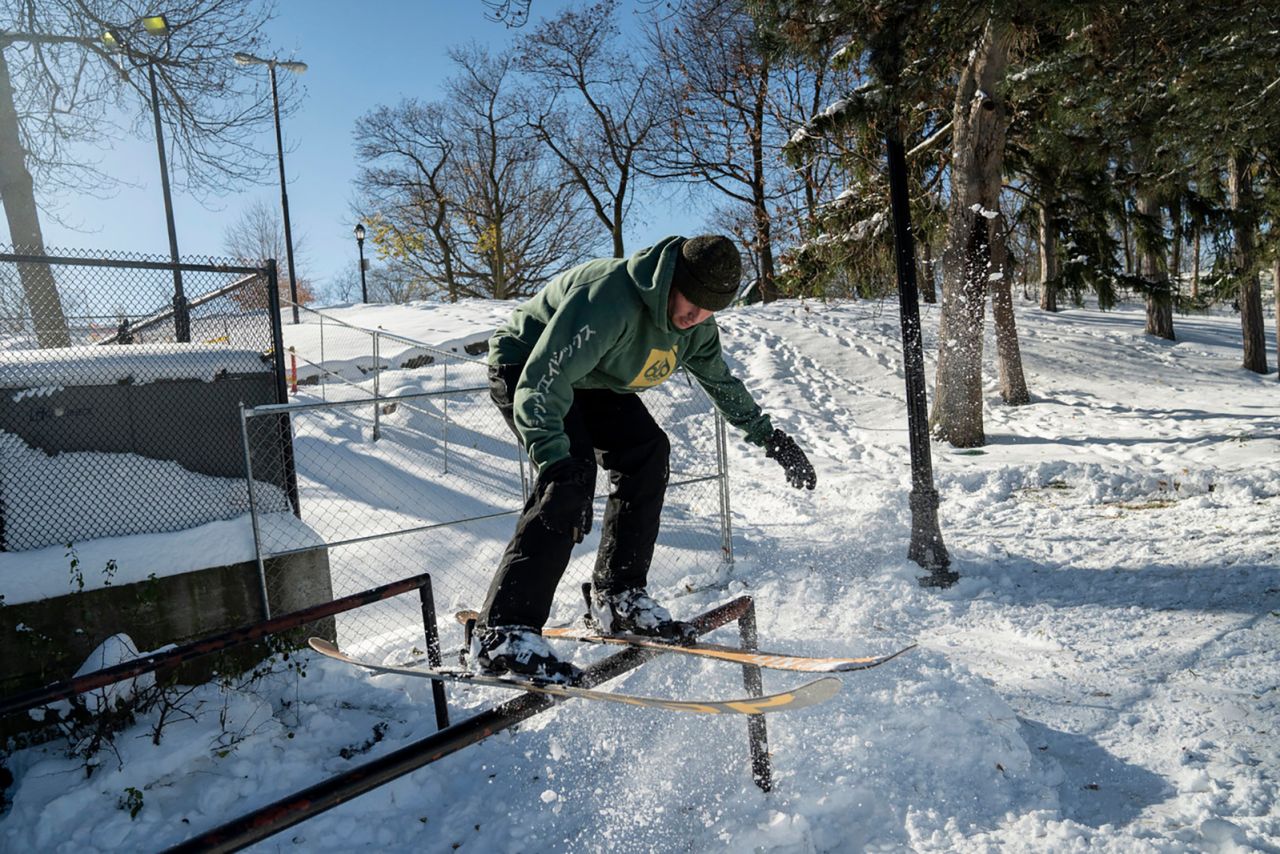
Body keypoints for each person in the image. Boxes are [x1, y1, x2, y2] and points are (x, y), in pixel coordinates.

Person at [472, 235, 816, 682]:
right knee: (570, 474)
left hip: (591, 382)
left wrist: (772, 440)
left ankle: (618, 597)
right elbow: (541, 381)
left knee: (649, 454)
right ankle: (504, 633)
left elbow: (723, 385)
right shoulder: (610, 299)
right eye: (690, 305)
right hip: (528, 368)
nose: (694, 320)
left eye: (708, 312)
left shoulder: (697, 329)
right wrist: (556, 462)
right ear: (670, 280)